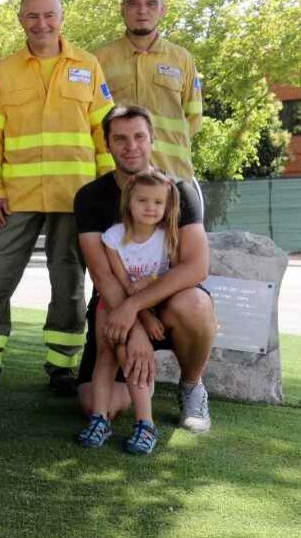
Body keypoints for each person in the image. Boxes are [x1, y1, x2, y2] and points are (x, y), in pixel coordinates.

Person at [0, 0, 114, 398]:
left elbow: (105, 131)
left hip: (76, 197)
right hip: (16, 196)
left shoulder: (88, 64)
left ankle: (63, 367)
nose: (41, 23)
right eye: (32, 16)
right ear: (20, 20)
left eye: (49, 15)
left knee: (68, 282)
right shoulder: (5, 71)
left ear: (62, 18)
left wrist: (109, 190)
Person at [74, 104, 216, 435]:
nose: (131, 146)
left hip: (164, 303)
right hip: (114, 302)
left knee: (195, 304)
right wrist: (134, 327)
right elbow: (102, 274)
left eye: (139, 136)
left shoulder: (178, 192)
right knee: (94, 405)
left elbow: (197, 266)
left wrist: (137, 307)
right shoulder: (90, 197)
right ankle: (140, 377)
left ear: (152, 138)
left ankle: (192, 386)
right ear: (107, 144)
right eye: (120, 138)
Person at [78, 170, 181, 454]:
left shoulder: (166, 239)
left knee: (131, 357)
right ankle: (100, 419)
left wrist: (147, 310)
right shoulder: (113, 237)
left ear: (167, 206)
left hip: (148, 304)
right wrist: (142, 317)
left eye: (158, 203)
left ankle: (145, 424)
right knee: (106, 356)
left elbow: (163, 280)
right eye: (143, 201)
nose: (151, 208)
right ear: (129, 202)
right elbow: (121, 281)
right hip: (112, 303)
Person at [93, 0, 203, 182]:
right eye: (133, 4)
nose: (142, 11)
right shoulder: (99, 60)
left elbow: (193, 119)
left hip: (172, 176)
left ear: (163, 10)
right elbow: (93, 122)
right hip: (118, 180)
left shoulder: (182, 59)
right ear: (122, 9)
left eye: (151, 4)